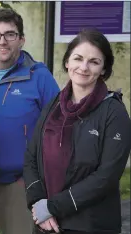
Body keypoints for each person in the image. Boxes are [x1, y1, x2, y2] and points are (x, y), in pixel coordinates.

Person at [24, 28, 131, 234]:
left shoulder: (114, 112)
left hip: (90, 224)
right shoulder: (53, 105)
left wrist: (52, 207)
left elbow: (107, 176)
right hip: (47, 222)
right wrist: (38, 203)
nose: (84, 67)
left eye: (94, 61)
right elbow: (31, 156)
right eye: (78, 58)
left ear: (103, 69)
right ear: (67, 62)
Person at [0, 8, 60, 234]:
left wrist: (38, 179)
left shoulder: (40, 76)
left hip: (19, 183)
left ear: (21, 40)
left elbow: (57, 131)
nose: (3, 42)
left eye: (10, 34)